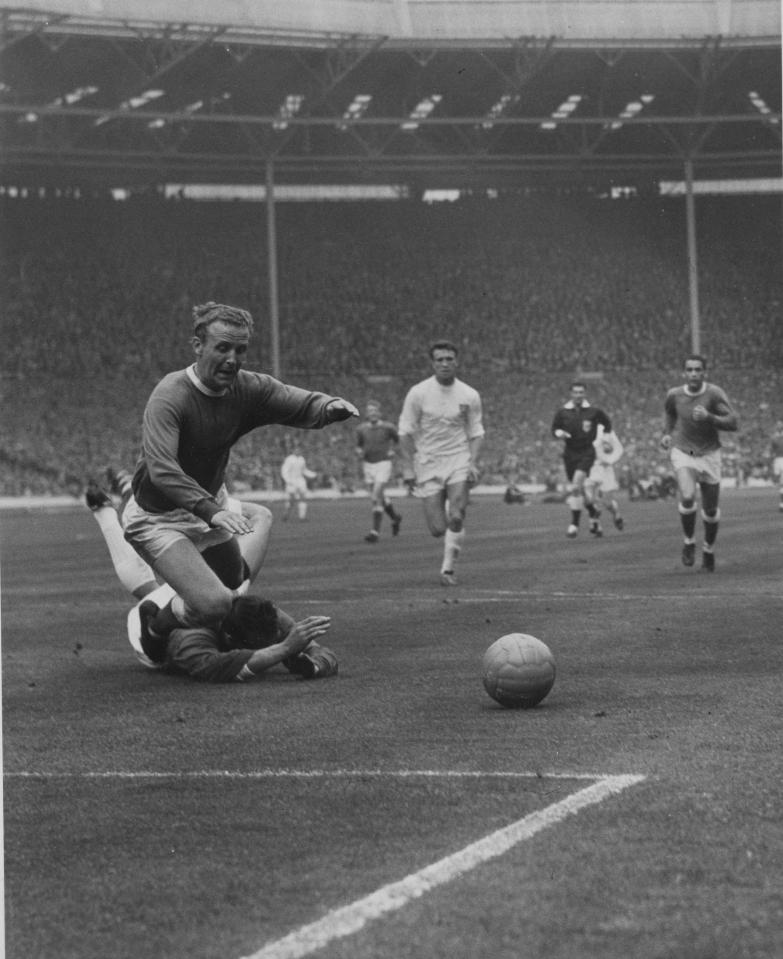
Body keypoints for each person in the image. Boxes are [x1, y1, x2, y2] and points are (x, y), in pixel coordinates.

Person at [122, 301, 359, 652]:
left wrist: (327, 407)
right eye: (222, 347)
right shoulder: (170, 396)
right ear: (198, 346)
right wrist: (211, 511)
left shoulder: (246, 388)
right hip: (158, 516)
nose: (233, 358)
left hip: (209, 504)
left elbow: (291, 400)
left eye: (241, 349)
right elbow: (161, 470)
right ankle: (155, 628)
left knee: (235, 581)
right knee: (215, 604)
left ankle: (199, 603)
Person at [397, 339, 484, 586]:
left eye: (449, 359)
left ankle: (448, 570)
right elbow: (404, 431)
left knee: (457, 515)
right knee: (437, 529)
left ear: (457, 362)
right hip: (428, 463)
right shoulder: (418, 393)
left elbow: (476, 432)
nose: (445, 364)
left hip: (459, 458)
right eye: (440, 360)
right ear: (432, 364)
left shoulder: (469, 395)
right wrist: (406, 466)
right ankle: (448, 513)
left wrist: (474, 463)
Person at [127, 584, 338, 683]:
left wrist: (315, 665)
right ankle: (105, 511)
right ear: (230, 639)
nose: (275, 640)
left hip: (193, 593)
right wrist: (284, 648)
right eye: (261, 644)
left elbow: (318, 650)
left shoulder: (266, 614)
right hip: (148, 627)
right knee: (154, 657)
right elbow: (214, 668)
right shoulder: (190, 638)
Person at [660, 354, 739, 571]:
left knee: (711, 510)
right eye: (690, 369)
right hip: (684, 451)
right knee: (687, 496)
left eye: (697, 370)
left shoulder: (714, 394)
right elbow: (669, 414)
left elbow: (733, 422)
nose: (693, 373)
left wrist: (710, 417)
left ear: (704, 372)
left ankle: (708, 550)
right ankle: (688, 543)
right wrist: (666, 434)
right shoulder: (674, 395)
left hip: (710, 453)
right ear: (684, 373)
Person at [551, 381, 613, 538]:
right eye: (575, 392)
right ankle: (593, 511)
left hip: (587, 452)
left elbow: (607, 424)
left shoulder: (593, 411)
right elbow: (554, 429)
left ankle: (574, 524)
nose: (578, 395)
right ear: (571, 394)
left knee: (577, 483)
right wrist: (560, 434)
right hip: (570, 453)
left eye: (581, 392)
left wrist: (606, 440)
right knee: (577, 489)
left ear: (585, 394)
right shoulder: (563, 412)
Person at [355, 400, 402, 542]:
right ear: (367, 414)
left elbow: (398, 441)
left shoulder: (388, 427)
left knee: (375, 497)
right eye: (370, 411)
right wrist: (359, 452)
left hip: (383, 464)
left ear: (379, 413)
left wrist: (393, 451)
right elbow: (359, 446)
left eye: (375, 411)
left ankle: (374, 532)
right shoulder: (361, 429)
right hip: (368, 465)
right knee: (379, 497)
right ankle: (395, 518)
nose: (373, 413)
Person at [588, 428, 625, 532]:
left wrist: (609, 458)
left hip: (606, 469)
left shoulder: (606, 431)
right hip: (591, 468)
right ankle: (596, 525)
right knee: (591, 499)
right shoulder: (584, 428)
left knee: (607, 502)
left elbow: (617, 448)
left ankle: (616, 513)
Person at [280, 443, 317, 522]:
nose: (298, 451)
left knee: (303, 497)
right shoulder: (289, 459)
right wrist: (288, 480)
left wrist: (313, 474)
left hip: (300, 480)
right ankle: (286, 514)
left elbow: (304, 470)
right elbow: (284, 471)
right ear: (293, 450)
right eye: (296, 449)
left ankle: (302, 517)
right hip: (291, 480)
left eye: (299, 449)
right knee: (291, 500)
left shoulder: (302, 459)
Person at [768, 421, 783, 512]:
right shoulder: (774, 438)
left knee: (781, 483)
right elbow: (772, 450)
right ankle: (781, 504)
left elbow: (772, 450)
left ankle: (781, 505)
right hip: (778, 460)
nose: (779, 426)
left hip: (778, 460)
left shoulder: (774, 438)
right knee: (780, 483)